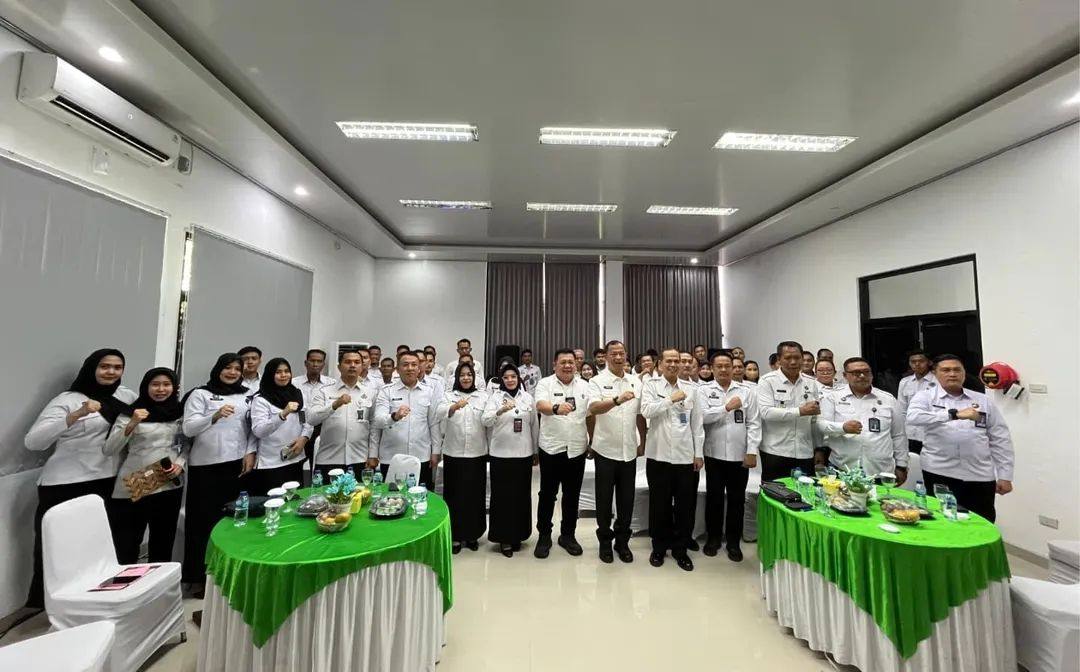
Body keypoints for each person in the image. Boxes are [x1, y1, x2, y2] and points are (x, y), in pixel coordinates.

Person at [23, 348, 137, 608]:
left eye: (117, 367)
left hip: (108, 482)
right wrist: (75, 415)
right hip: (66, 484)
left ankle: (97, 600)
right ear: (91, 368)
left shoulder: (126, 396)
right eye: (104, 366)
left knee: (99, 546)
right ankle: (55, 605)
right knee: (62, 548)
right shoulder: (69, 400)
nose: (111, 372)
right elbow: (33, 442)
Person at [906, 354, 1014, 522]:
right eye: (946, 370)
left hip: (979, 474)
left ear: (964, 373)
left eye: (957, 370)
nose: (952, 374)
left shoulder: (982, 400)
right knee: (942, 521)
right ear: (935, 373)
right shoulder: (925, 397)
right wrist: (953, 414)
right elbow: (913, 417)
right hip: (939, 472)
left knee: (982, 522)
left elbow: (1000, 438)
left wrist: (1005, 475)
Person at [181, 353, 256, 587]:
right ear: (218, 369)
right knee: (203, 523)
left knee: (233, 519)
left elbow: (251, 429)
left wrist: (250, 452)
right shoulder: (200, 394)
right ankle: (199, 577)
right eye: (228, 368)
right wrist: (212, 416)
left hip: (237, 464)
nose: (232, 372)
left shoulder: (247, 396)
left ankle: (228, 573)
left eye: (237, 369)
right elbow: (188, 429)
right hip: (206, 467)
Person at [104, 367, 185, 565]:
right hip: (137, 480)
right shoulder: (131, 413)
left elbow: (186, 443)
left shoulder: (179, 412)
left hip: (169, 480)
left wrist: (180, 463)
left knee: (163, 540)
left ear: (174, 388)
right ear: (145, 387)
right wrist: (132, 423)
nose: (161, 389)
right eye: (155, 384)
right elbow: (109, 449)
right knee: (127, 542)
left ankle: (160, 582)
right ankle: (127, 582)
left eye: (166, 384)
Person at [641, 348, 704, 572]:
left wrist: (698, 454)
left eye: (677, 361)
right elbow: (646, 411)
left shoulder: (692, 389)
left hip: (685, 457)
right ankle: (659, 547)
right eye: (669, 361)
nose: (674, 364)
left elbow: (697, 424)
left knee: (685, 506)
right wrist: (670, 399)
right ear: (659, 364)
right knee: (660, 505)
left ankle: (680, 550)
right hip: (658, 456)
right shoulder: (651, 385)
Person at [697, 352, 760, 562]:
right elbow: (702, 418)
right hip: (713, 454)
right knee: (714, 499)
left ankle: (733, 542)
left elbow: (754, 423)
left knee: (736, 500)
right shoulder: (704, 391)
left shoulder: (747, 392)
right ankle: (713, 538)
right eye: (719, 366)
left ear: (733, 368)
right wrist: (726, 408)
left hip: (739, 455)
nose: (724, 369)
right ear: (712, 369)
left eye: (727, 366)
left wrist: (751, 451)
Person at [587, 340, 645, 564]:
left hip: (629, 449)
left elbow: (639, 415)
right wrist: (616, 400)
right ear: (606, 356)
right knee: (603, 499)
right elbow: (593, 408)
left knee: (626, 500)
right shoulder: (597, 381)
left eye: (622, 353)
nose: (618, 357)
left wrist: (642, 441)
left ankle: (622, 542)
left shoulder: (635, 381)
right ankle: (605, 541)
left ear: (626, 355)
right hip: (605, 449)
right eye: (614, 354)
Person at [533, 349, 591, 558]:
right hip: (551, 448)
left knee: (572, 495)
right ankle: (544, 536)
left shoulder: (585, 386)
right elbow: (540, 405)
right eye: (563, 362)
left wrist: (592, 440)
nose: (567, 366)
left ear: (576, 365)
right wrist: (556, 408)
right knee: (547, 495)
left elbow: (590, 415)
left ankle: (568, 535)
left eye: (571, 362)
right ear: (554, 364)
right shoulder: (545, 384)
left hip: (576, 449)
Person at [818, 358, 908, 483]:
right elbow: (821, 425)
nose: (862, 376)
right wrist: (843, 428)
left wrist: (901, 465)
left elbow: (899, 435)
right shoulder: (833, 397)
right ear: (845, 375)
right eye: (856, 373)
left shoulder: (888, 399)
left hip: (880, 471)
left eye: (866, 372)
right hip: (842, 469)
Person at [483, 365, 538, 557]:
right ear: (502, 380)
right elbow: (485, 421)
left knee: (521, 497)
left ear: (518, 378)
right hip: (501, 455)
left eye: (513, 376)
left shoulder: (527, 398)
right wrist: (499, 411)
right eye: (506, 377)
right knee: (502, 498)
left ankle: (519, 535)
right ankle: (503, 538)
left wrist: (535, 451)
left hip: (523, 454)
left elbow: (534, 425)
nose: (510, 380)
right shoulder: (495, 398)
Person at [437, 363, 488, 554]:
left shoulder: (483, 396)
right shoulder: (448, 395)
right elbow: (439, 412)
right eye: (462, 375)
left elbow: (489, 420)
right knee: (454, 496)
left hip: (477, 453)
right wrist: (454, 406)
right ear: (457, 377)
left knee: (475, 496)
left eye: (469, 375)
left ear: (474, 377)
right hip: (454, 453)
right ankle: (456, 536)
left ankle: (473, 535)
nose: (466, 378)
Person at [374, 351, 443, 490]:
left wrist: (435, 451)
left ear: (419, 368)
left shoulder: (429, 391)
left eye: (414, 365)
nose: (410, 368)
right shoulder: (386, 391)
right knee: (391, 497)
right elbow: (378, 421)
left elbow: (434, 423)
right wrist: (394, 416)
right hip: (391, 456)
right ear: (397, 369)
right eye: (405, 365)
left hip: (421, 455)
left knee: (420, 496)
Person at [757, 341, 822, 481]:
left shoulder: (811, 382)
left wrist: (819, 448)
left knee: (805, 492)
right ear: (779, 359)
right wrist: (800, 411)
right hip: (775, 451)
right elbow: (766, 412)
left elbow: (815, 420)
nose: (793, 362)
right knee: (775, 492)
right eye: (787, 358)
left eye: (797, 358)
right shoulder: (767, 381)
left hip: (805, 451)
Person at [308, 350, 381, 475]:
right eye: (348, 362)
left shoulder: (370, 392)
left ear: (362, 366)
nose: (352, 365)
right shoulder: (324, 391)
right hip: (328, 459)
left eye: (357, 362)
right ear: (339, 367)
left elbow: (374, 425)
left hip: (360, 458)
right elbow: (312, 419)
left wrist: (373, 454)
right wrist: (334, 405)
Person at [250, 358, 311, 493]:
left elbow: (307, 420)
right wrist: (282, 414)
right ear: (270, 375)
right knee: (274, 501)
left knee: (295, 500)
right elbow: (259, 431)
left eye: (286, 371)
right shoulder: (261, 399)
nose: (283, 375)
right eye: (278, 372)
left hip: (295, 458)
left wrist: (304, 438)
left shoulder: (297, 394)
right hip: (271, 463)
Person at [897, 349, 936, 453]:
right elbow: (902, 410)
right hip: (909, 434)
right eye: (913, 362)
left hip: (930, 434)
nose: (917, 364)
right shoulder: (905, 382)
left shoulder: (938, 381)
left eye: (921, 361)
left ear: (929, 362)